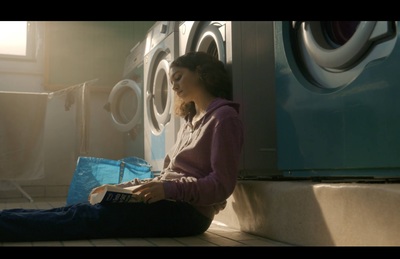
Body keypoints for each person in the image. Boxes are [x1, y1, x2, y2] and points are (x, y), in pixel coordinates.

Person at [0, 51, 244, 242]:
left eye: (178, 77)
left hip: (190, 214)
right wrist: (119, 188)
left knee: (85, 218)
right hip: (172, 203)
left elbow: (221, 185)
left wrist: (169, 190)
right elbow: (165, 179)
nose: (173, 86)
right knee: (80, 208)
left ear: (201, 72)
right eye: (171, 81)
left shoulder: (224, 118)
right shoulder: (190, 120)